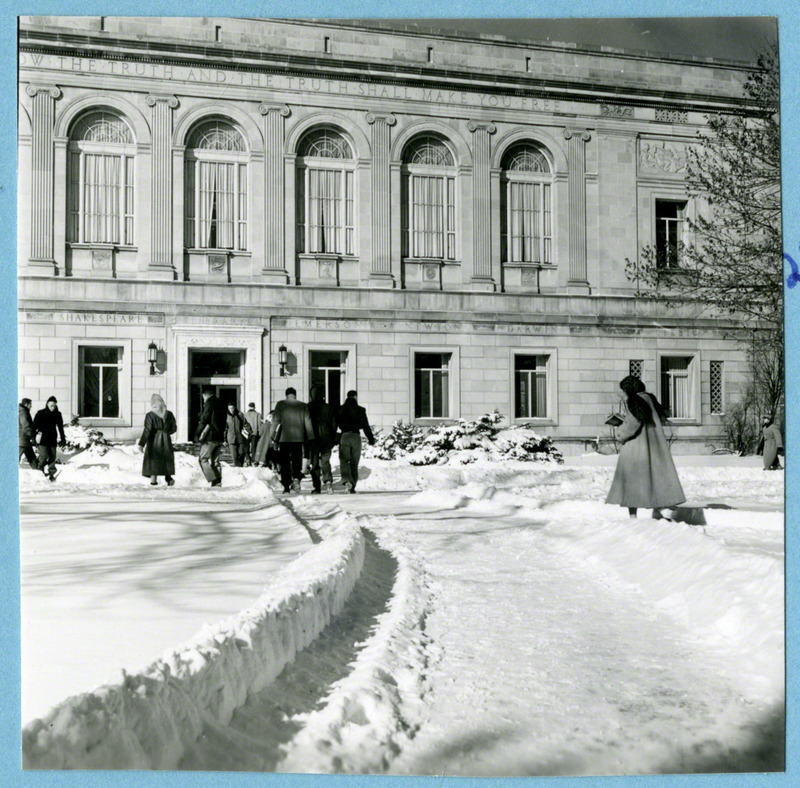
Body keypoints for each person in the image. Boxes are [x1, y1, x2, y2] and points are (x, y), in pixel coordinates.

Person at [605, 375, 685, 519]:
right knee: (653, 478)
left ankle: (633, 517)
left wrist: (620, 431)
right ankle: (661, 507)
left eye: (624, 389)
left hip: (636, 446)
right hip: (653, 443)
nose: (624, 393)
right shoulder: (650, 398)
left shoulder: (635, 400)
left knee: (631, 482)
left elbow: (633, 423)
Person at [270, 387, 314, 493]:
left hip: (284, 438)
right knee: (296, 460)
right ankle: (296, 479)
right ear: (295, 394)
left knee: (284, 462)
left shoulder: (280, 404)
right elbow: (308, 422)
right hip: (298, 439)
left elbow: (275, 421)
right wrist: (310, 437)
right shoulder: (303, 406)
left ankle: (286, 485)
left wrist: (272, 436)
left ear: (286, 395)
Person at [337, 390, 375, 494]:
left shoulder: (340, 409)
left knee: (344, 461)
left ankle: (346, 480)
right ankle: (352, 485)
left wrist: (334, 438)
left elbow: (335, 424)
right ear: (355, 397)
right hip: (355, 436)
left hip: (344, 436)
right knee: (354, 462)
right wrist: (371, 439)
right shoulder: (360, 410)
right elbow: (365, 426)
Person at [138, 393, 177, 486]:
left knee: (153, 459)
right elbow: (174, 428)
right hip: (166, 439)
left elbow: (147, 430)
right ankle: (169, 478)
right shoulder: (169, 414)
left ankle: (153, 481)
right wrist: (166, 433)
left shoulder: (150, 415)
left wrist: (141, 444)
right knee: (166, 458)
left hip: (154, 440)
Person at [307, 385, 338, 494]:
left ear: (312, 395)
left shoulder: (308, 407)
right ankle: (328, 481)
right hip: (326, 438)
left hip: (313, 439)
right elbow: (334, 425)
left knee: (315, 464)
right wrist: (333, 438)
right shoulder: (329, 408)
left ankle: (317, 487)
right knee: (325, 461)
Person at [195, 387, 227, 487]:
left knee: (203, 459)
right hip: (219, 437)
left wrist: (197, 433)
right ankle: (218, 481)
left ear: (206, 395)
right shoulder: (222, 403)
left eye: (203, 397)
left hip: (210, 437)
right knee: (215, 461)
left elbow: (205, 419)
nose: (203, 399)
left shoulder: (209, 403)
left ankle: (214, 479)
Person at [32, 395, 66, 481]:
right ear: (47, 404)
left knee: (52, 457)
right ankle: (39, 472)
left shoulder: (58, 414)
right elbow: (34, 426)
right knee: (43, 456)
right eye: (51, 405)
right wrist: (33, 436)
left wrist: (63, 438)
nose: (52, 407)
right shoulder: (41, 413)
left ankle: (52, 473)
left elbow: (60, 427)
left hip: (52, 438)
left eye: (54, 405)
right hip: (42, 438)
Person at [225, 402, 248, 468]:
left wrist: (247, 431)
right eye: (230, 408)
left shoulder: (240, 414)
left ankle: (240, 465)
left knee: (241, 453)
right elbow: (225, 429)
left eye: (232, 408)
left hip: (240, 437)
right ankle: (238, 468)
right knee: (234, 456)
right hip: (231, 438)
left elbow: (246, 424)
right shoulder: (226, 416)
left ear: (234, 408)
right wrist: (224, 440)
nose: (231, 410)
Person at [19, 398, 39, 470]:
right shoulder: (23, 412)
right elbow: (26, 426)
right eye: (30, 405)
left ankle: (39, 473)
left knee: (31, 457)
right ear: (26, 405)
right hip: (23, 439)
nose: (31, 406)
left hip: (25, 439)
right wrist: (32, 435)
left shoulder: (22, 411)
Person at [242, 402, 263, 466]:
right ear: (254, 407)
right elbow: (259, 424)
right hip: (254, 432)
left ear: (249, 407)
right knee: (254, 447)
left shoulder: (245, 414)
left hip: (246, 432)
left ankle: (248, 459)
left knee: (246, 446)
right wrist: (260, 432)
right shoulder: (258, 414)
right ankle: (254, 460)